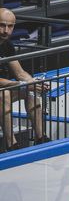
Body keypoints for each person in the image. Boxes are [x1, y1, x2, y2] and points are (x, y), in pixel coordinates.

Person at [0, 8, 48, 152]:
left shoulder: (7, 45)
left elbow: (20, 73)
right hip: (2, 93)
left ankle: (41, 139)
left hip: (4, 90)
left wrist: (34, 83)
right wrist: (22, 84)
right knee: (5, 94)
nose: (6, 31)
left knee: (30, 92)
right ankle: (12, 145)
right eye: (2, 25)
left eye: (10, 26)